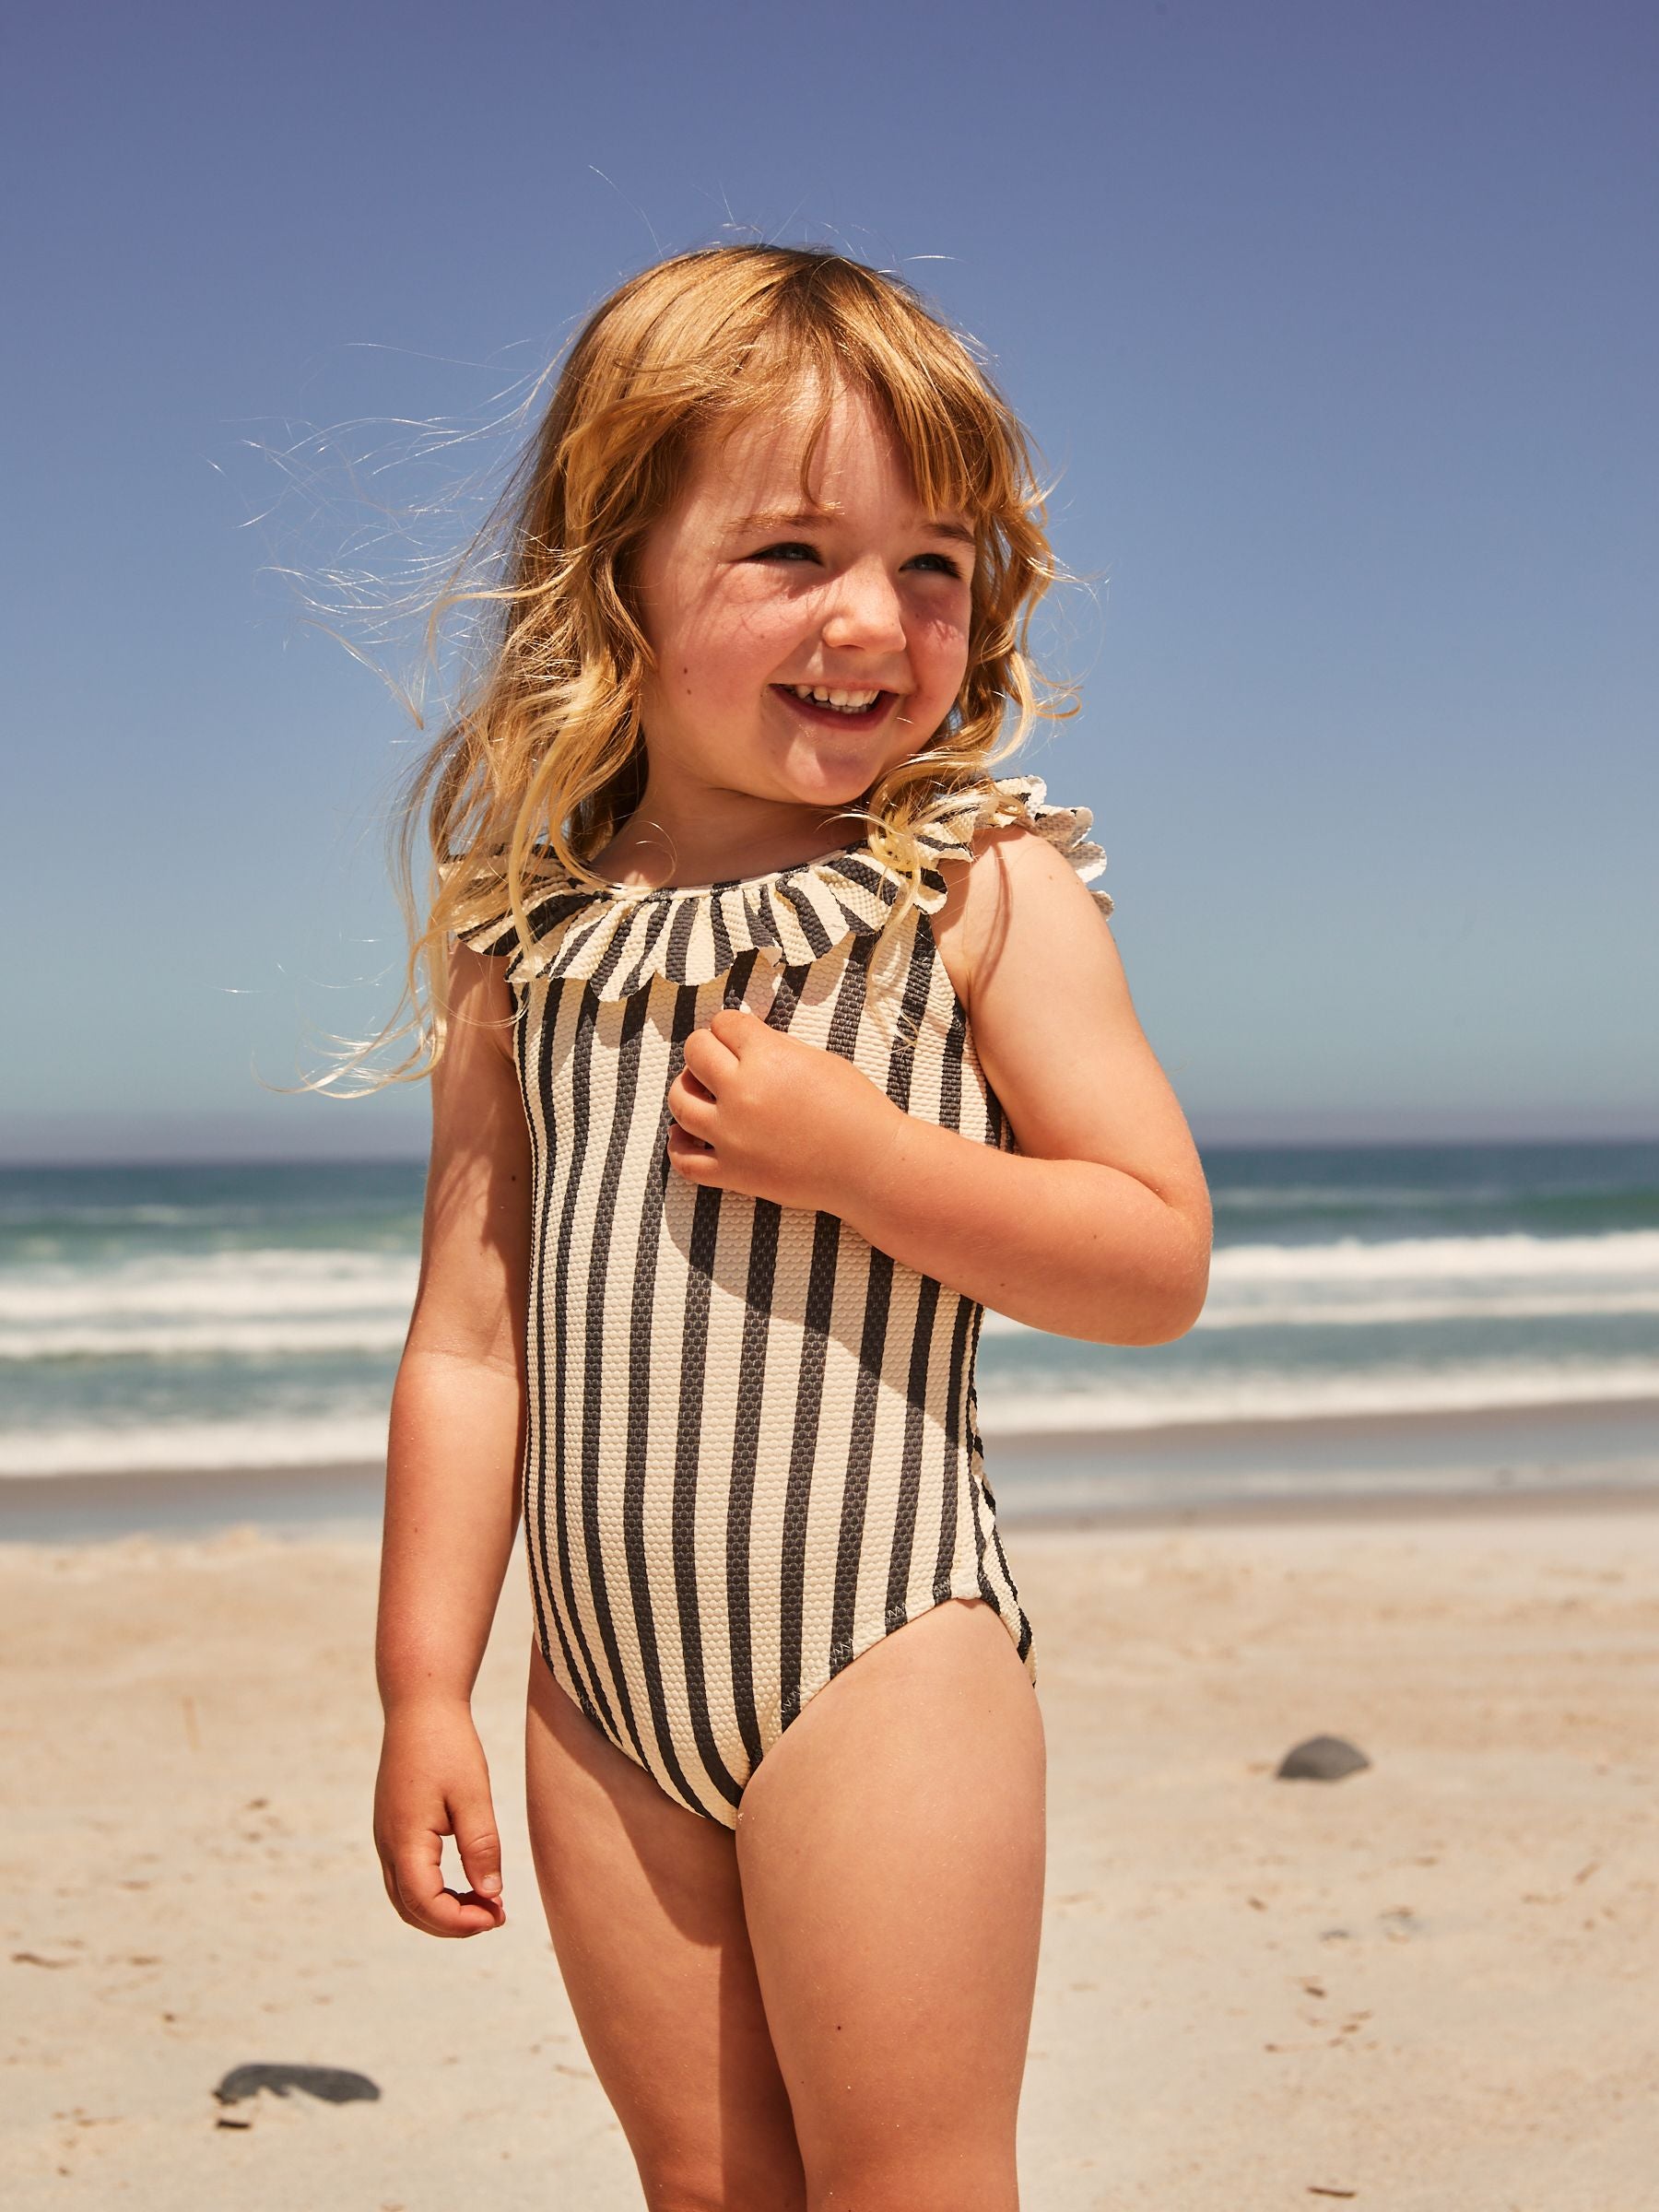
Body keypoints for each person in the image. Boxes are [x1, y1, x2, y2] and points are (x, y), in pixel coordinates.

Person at [369, 242, 1211, 2211]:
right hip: (597, 1691)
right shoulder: (529, 941)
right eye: (793, 555)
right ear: (616, 582)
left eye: (935, 559)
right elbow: (468, 1338)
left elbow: (1153, 1253)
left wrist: (868, 1160)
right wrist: (424, 1685)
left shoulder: (976, 889)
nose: (880, 617)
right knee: (709, 2188)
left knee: (912, 2180)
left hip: (878, 1650)